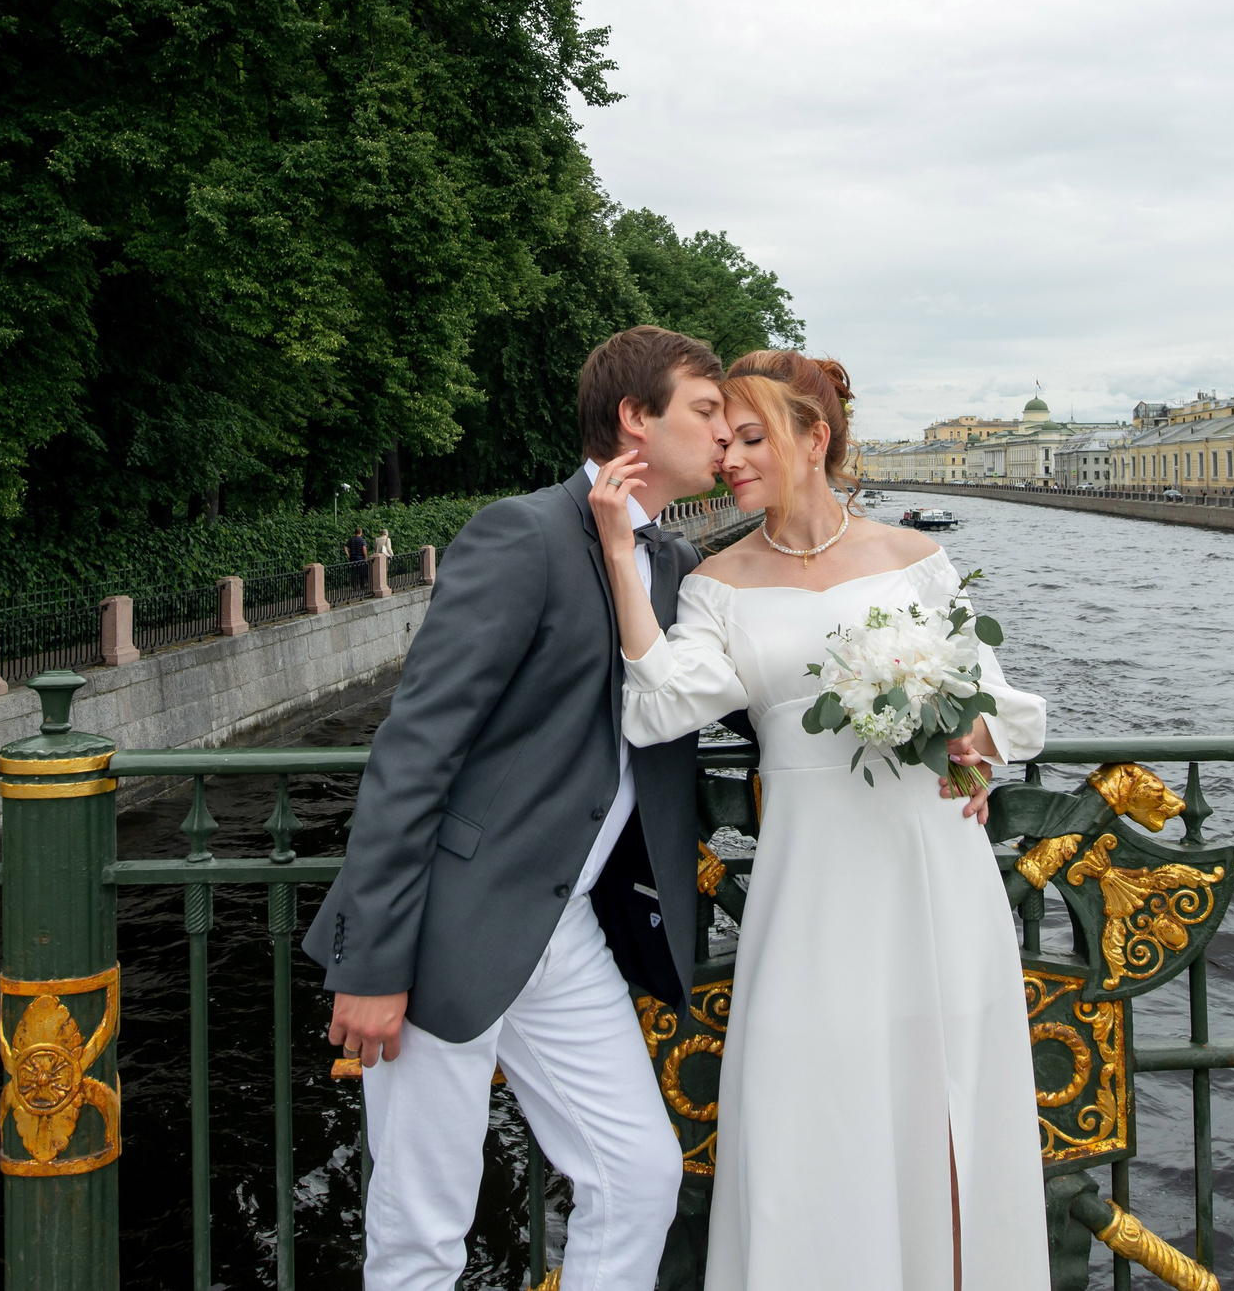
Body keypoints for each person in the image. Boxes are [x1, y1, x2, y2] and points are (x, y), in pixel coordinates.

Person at [589, 350, 1051, 1291]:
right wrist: (617, 561)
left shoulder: (915, 560)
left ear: (817, 438)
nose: (730, 458)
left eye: (752, 437)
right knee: (811, 1103)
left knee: (939, 1095)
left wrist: (973, 737)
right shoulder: (718, 579)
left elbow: (1002, 705)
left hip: (932, 867)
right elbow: (661, 704)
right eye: (725, 440)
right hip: (810, 880)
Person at [304, 326, 733, 1291]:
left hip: (564, 924)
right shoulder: (522, 532)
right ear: (634, 418)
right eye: (706, 412)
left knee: (639, 1172)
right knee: (423, 1230)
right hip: (448, 929)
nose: (724, 435)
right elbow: (414, 751)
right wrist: (373, 961)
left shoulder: (665, 561)